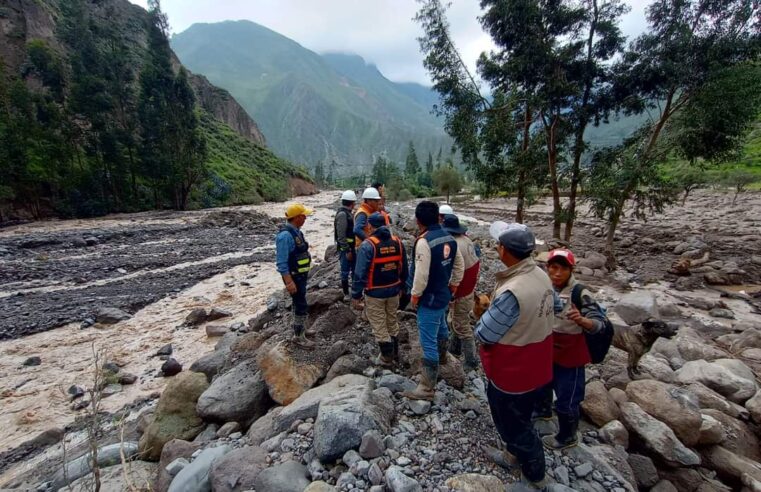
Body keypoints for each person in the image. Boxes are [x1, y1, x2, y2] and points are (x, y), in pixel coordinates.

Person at [475, 221, 559, 488]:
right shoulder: (541, 275)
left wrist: (480, 317)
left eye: (498, 245)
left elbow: (485, 334)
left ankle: (535, 474)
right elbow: (554, 305)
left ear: (504, 251)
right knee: (521, 416)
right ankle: (512, 453)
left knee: (515, 423)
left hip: (513, 371)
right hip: (538, 363)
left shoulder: (514, 291)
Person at [538, 248, 607, 450]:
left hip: (571, 354)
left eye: (562, 269)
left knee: (568, 398)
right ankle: (543, 411)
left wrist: (583, 321)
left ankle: (567, 436)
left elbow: (599, 322)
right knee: (542, 383)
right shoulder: (545, 287)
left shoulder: (580, 292)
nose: (557, 273)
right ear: (548, 268)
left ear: (571, 270)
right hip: (547, 347)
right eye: (553, 268)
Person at [402, 201, 464, 401]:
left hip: (429, 297)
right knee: (442, 327)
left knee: (427, 339)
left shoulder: (424, 241)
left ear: (418, 221)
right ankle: (443, 356)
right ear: (439, 217)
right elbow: (459, 264)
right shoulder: (449, 237)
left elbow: (421, 274)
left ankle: (427, 388)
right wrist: (453, 284)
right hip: (443, 294)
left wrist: (415, 295)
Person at [352, 212, 409, 366]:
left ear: (370, 226)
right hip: (394, 290)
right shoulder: (398, 242)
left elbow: (360, 273)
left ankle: (386, 357)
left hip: (374, 292)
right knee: (392, 321)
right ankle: (395, 353)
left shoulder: (367, 245)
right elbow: (404, 268)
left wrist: (355, 294)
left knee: (379, 324)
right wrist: (403, 287)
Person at [442, 214, 481, 372]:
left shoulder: (453, 245)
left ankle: (471, 360)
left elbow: (454, 272)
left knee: (461, 324)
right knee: (458, 319)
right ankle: (455, 349)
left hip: (461, 288)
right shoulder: (467, 240)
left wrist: (451, 291)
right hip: (469, 287)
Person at [276, 203, 317, 349]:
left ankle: (302, 330)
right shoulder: (285, 236)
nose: (305, 218)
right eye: (303, 216)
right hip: (293, 277)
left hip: (300, 275)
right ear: (297, 217)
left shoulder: (297, 232)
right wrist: (289, 282)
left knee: (299, 302)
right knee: (301, 304)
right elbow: (281, 263)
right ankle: (298, 337)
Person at [334, 190, 357, 299]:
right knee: (345, 271)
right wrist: (347, 250)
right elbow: (341, 235)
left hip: (351, 248)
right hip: (346, 249)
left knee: (353, 270)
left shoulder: (347, 213)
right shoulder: (343, 215)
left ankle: (354, 292)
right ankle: (346, 294)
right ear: (352, 203)